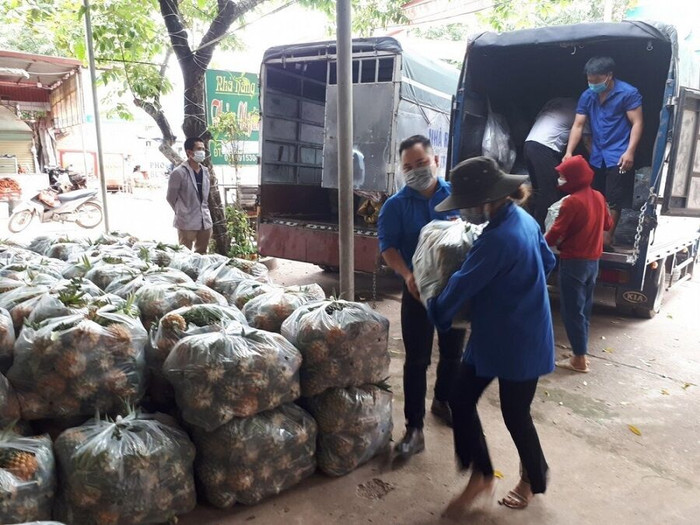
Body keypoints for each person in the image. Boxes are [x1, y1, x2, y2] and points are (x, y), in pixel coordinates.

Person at [426, 156, 555, 514]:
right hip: (501, 333)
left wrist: (434, 310)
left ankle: (532, 478)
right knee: (461, 398)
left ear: (488, 200)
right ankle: (481, 475)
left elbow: (459, 287)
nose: (465, 212)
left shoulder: (497, 239)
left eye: (468, 205)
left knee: (515, 414)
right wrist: (517, 286)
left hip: (520, 341)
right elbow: (548, 263)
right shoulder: (524, 220)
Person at [378, 135, 466, 460]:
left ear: (435, 161)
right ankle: (414, 429)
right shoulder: (395, 205)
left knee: (453, 353)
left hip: (454, 289)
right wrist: (407, 274)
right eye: (408, 167)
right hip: (415, 289)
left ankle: (443, 401)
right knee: (416, 360)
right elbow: (387, 247)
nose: (415, 171)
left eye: (421, 163)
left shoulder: (458, 196)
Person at [564, 56, 643, 250]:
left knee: (614, 198)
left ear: (609, 76)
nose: (592, 84)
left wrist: (630, 151)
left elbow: (637, 123)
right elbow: (578, 125)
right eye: (589, 80)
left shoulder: (628, 93)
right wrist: (569, 152)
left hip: (619, 154)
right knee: (594, 196)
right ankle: (591, 234)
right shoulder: (587, 96)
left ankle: (605, 238)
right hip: (597, 154)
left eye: (596, 80)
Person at [546, 155, 612, 373]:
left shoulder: (572, 201)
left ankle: (580, 359)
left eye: (564, 177)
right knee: (583, 308)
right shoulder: (598, 197)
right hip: (593, 263)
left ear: (574, 177)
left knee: (572, 311)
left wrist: (537, 245)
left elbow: (556, 232)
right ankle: (578, 351)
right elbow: (608, 223)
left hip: (573, 262)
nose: (561, 180)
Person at [524, 97, 589, 230]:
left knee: (538, 190)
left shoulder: (555, 102)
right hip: (545, 147)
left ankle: (531, 227)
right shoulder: (582, 111)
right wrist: (597, 162)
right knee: (549, 193)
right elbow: (587, 141)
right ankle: (541, 231)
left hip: (529, 144)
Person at [166, 137, 213, 254]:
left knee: (202, 254)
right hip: (186, 222)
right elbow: (170, 197)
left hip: (204, 221)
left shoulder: (205, 171)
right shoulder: (179, 173)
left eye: (203, 149)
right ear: (189, 152)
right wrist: (181, 211)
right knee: (185, 255)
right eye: (199, 149)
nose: (202, 152)